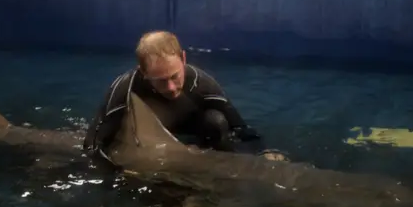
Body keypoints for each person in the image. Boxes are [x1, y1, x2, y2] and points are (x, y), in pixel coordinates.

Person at [83, 30, 287, 162]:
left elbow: (241, 128)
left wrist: (263, 152)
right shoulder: (124, 89)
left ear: (183, 59)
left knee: (216, 121)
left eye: (175, 76)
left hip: (189, 133)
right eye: (161, 80)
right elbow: (92, 144)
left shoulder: (203, 84)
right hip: (145, 141)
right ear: (143, 72)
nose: (171, 87)